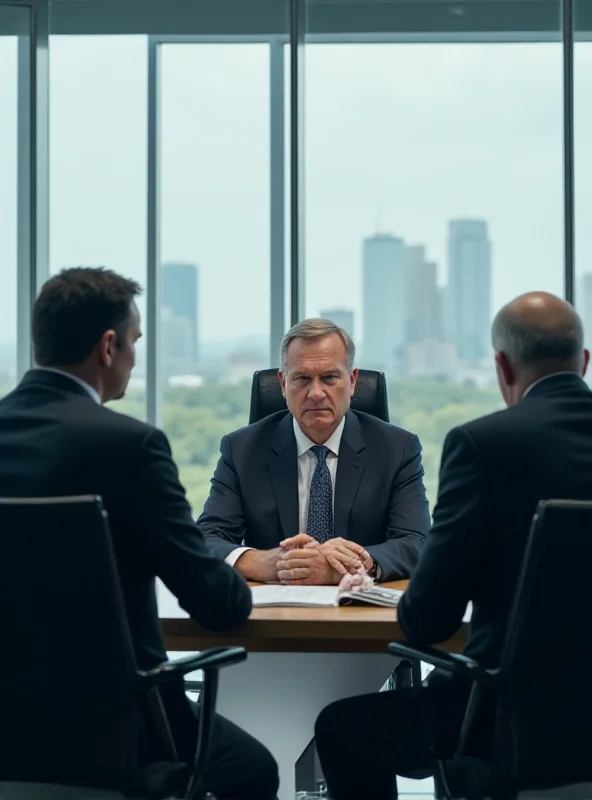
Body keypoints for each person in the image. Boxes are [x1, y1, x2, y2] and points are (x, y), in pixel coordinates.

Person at [0, 268, 279, 800]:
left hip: (7, 725)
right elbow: (217, 605)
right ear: (108, 346)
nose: (134, 358)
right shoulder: (130, 446)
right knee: (254, 771)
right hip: (118, 730)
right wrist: (252, 572)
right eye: (135, 343)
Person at [314, 291, 592, 800]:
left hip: (502, 718)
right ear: (585, 361)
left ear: (502, 366)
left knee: (342, 729)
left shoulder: (484, 445)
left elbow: (429, 622)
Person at [198, 318, 430, 584]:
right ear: (283, 384)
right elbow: (205, 538)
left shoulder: (396, 450)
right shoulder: (241, 451)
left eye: (330, 378)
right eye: (302, 378)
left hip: (361, 611)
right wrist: (264, 563)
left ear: (352, 381)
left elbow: (417, 542)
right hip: (274, 611)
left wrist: (340, 568)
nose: (316, 393)